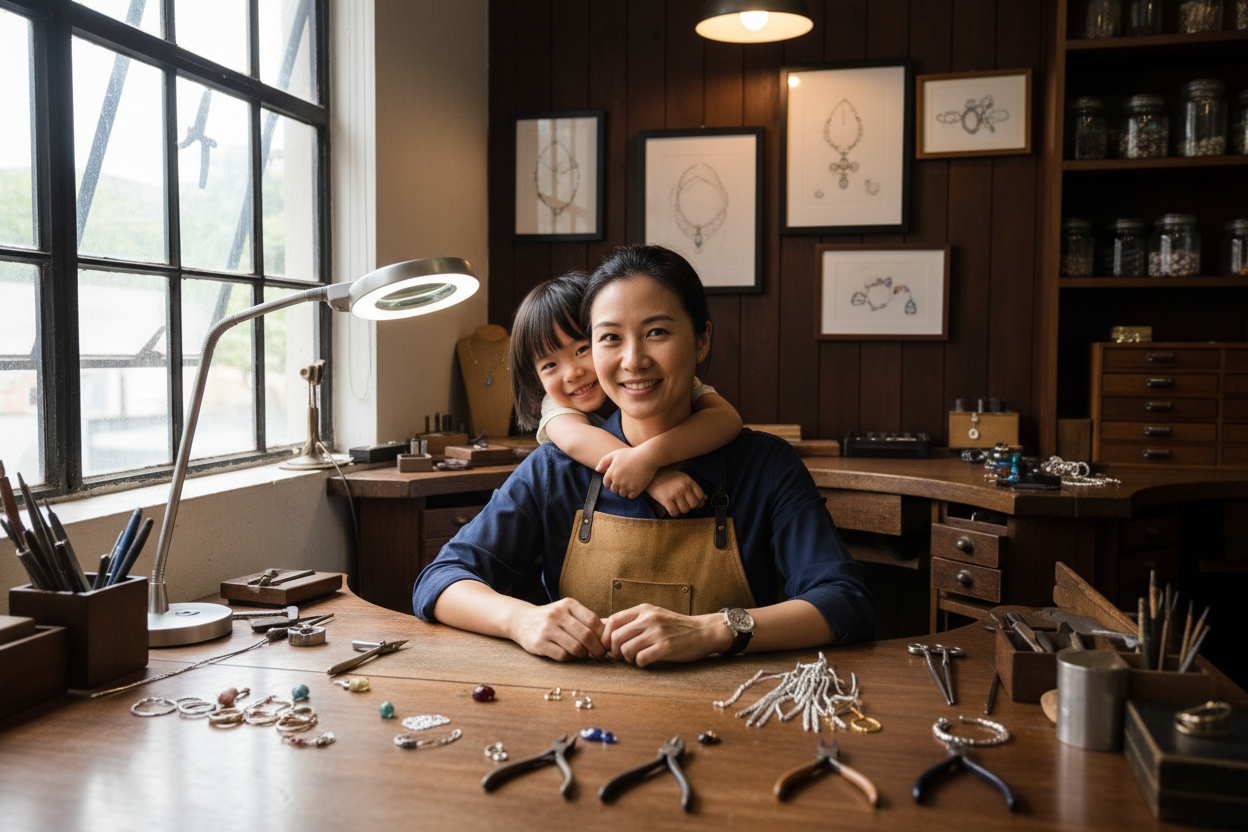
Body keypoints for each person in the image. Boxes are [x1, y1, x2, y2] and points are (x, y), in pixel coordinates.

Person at [413, 245, 876, 666]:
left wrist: (712, 629)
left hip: (734, 724)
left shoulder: (765, 466)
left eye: (656, 332)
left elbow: (844, 601)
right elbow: (440, 581)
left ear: (702, 341)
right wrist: (521, 621)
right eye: (610, 338)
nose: (633, 360)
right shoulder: (554, 469)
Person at [507, 272, 743, 517]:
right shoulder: (556, 409)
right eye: (549, 365)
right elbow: (576, 439)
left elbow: (726, 419)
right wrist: (654, 477)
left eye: (581, 350)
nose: (572, 373)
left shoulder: (655, 380)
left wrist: (649, 458)